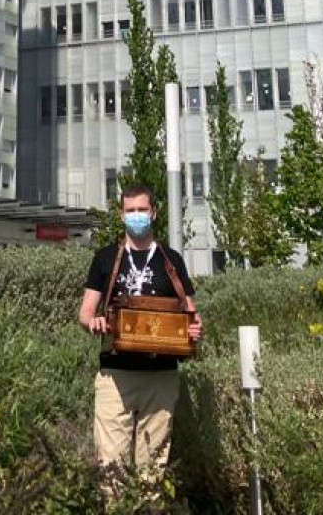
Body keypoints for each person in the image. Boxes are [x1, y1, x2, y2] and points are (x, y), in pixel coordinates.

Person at [79, 185, 202, 475]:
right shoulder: (105, 258)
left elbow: (192, 314)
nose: (137, 216)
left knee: (153, 471)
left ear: (153, 213)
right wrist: (93, 322)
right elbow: (85, 312)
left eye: (142, 210)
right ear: (122, 215)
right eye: (131, 211)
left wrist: (194, 330)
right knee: (111, 468)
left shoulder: (171, 259)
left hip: (161, 376)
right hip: (114, 374)